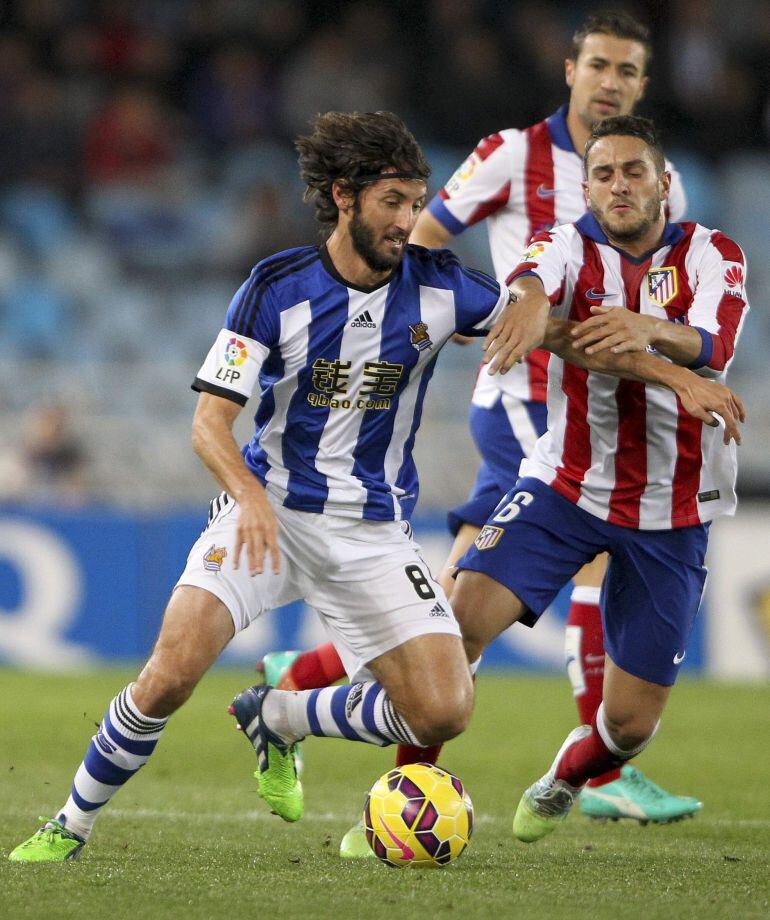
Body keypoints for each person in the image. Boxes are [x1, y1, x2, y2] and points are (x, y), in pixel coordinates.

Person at [8, 111, 741, 864]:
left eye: (416, 201)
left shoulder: (441, 288)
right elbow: (207, 424)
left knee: (445, 709)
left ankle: (280, 716)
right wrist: (251, 500)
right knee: (168, 677)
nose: (409, 221)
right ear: (345, 198)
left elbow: (571, 339)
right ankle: (70, 823)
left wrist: (677, 374)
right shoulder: (274, 289)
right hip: (272, 511)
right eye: (393, 202)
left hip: (373, 530)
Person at [259, 12, 699, 852]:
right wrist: (435, 315)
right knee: (575, 552)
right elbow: (423, 236)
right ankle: (599, 778)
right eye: (598, 65)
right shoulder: (511, 154)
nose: (610, 82)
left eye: (628, 72)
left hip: (607, 401)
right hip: (528, 400)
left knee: (458, 602)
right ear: (569, 70)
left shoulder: (655, 185)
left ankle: (309, 677)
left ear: (643, 87)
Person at [448, 114, 748, 844]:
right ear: (587, 186)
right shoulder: (567, 241)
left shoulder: (715, 253)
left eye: (634, 171)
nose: (619, 184)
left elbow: (716, 343)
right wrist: (524, 304)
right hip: (565, 487)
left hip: (673, 513)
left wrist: (647, 330)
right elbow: (532, 280)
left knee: (627, 726)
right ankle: (400, 790)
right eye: (604, 173)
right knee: (453, 630)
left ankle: (567, 777)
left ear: (664, 182)